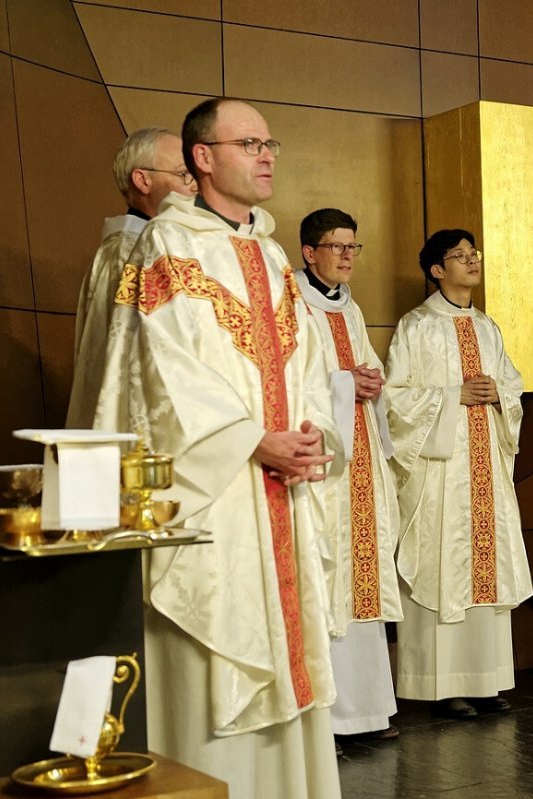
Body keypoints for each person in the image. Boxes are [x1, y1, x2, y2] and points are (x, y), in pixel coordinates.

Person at [96, 98, 342, 798]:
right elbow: (157, 373)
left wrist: (307, 433)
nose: (267, 155)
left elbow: (306, 362)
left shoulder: (267, 252)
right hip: (216, 487)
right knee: (218, 649)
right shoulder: (164, 246)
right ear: (203, 159)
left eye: (271, 143)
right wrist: (251, 439)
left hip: (282, 486)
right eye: (250, 143)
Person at [384, 229, 530, 719]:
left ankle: (484, 680)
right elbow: (394, 398)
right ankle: (440, 685)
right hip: (440, 474)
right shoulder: (416, 326)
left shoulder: (488, 327)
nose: (471, 261)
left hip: (485, 464)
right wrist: (450, 397)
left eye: (474, 254)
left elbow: (511, 382)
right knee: (443, 564)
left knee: (486, 570)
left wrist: (499, 395)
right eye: (459, 256)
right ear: (436, 270)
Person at [296, 208, 402, 751]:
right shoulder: (290, 302)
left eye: (353, 248)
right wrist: (344, 382)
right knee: (327, 579)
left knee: (362, 580)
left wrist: (370, 381)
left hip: (360, 457)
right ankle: (328, 719)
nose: (346, 256)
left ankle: (368, 710)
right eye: (336, 247)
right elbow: (290, 377)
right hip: (321, 468)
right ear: (309, 252)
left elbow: (364, 368)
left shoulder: (350, 308)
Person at [66, 126, 195, 428]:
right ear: (143, 180)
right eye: (183, 174)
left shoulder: (160, 246)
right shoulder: (128, 254)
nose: (195, 186)